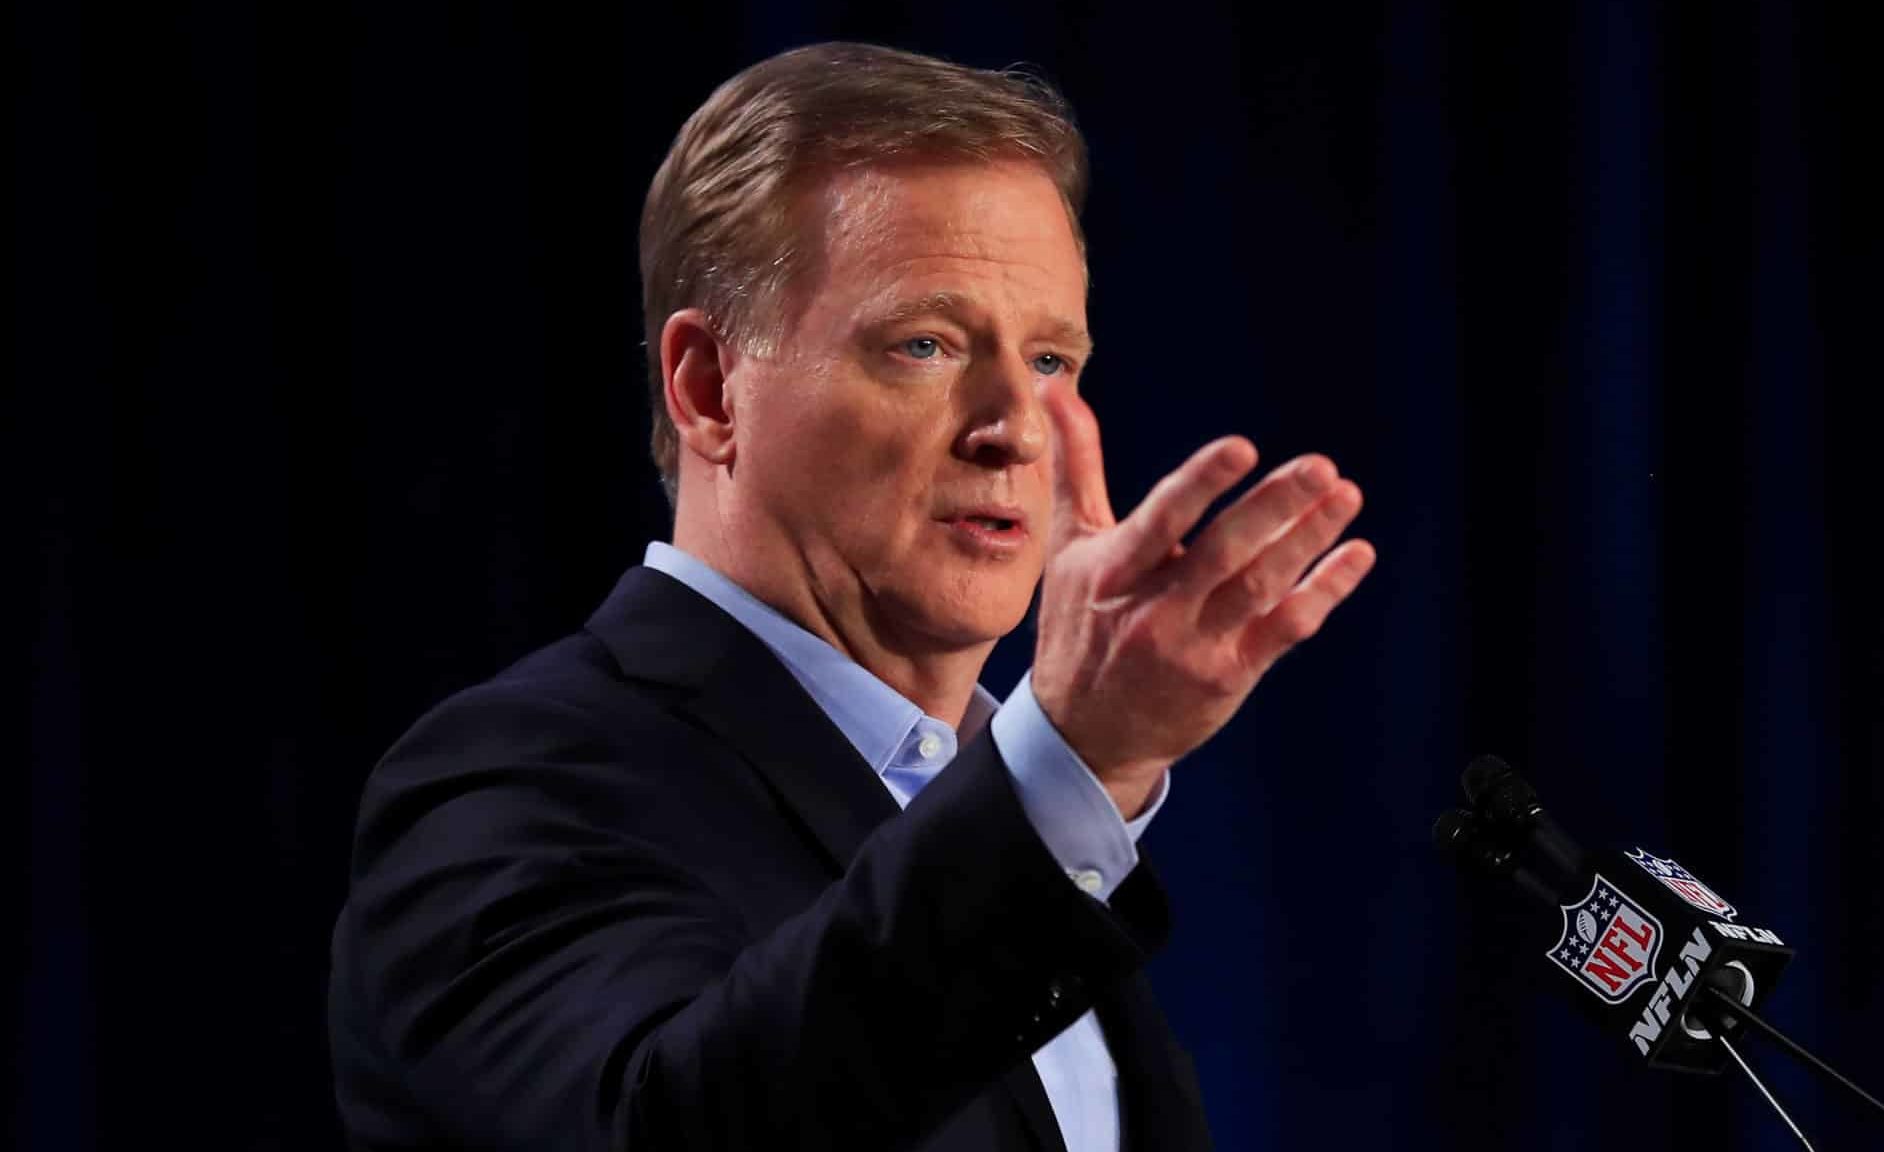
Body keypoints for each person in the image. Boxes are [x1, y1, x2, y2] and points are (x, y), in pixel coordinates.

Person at [328, 41, 1376, 1152]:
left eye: (1050, 362)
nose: (1013, 429)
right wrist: (1068, 769)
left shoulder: (1018, 821)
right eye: (923, 345)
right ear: (707, 387)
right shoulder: (513, 783)